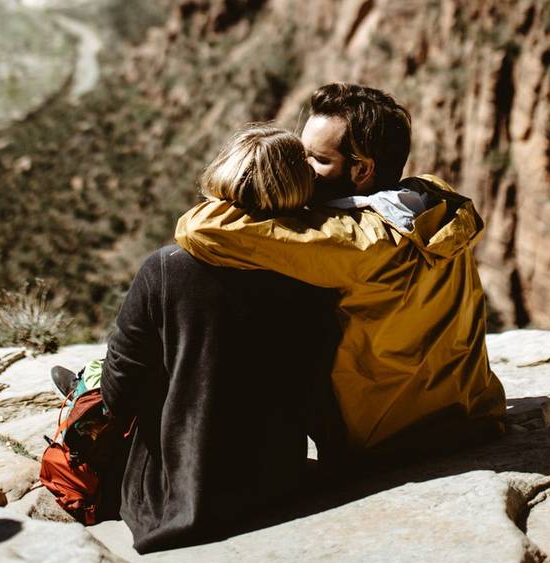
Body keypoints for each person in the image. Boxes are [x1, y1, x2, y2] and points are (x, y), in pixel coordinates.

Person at [176, 83, 507, 462]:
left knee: (186, 272)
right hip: (467, 413)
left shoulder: (352, 241)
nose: (301, 167)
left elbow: (199, 229)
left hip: (381, 437)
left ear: (362, 169)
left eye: (316, 159)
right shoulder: (433, 196)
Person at [57, 125, 339, 553]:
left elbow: (120, 393)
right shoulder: (318, 272)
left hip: (178, 492)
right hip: (276, 478)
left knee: (95, 385)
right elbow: (319, 387)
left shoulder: (167, 268)